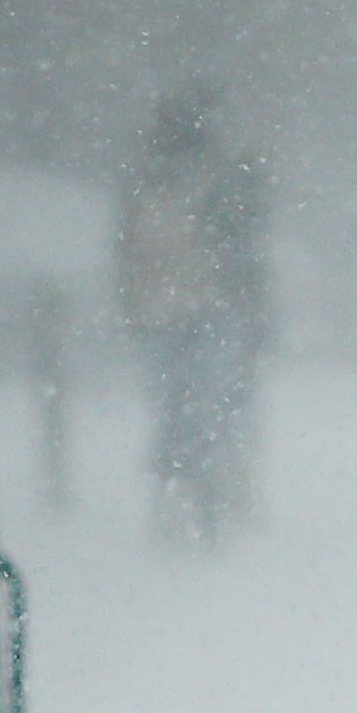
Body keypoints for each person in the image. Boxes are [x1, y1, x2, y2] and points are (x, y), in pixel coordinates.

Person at [117, 86, 270, 543]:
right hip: (198, 310)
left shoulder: (152, 181)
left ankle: (183, 488)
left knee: (181, 406)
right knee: (204, 404)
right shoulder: (220, 180)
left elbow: (130, 250)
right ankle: (201, 487)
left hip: (171, 311)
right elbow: (241, 251)